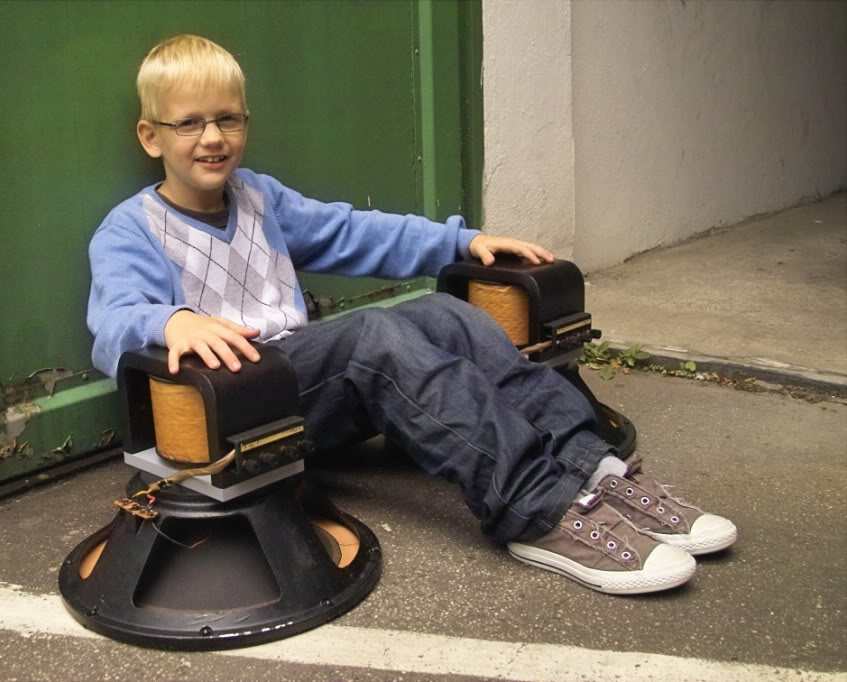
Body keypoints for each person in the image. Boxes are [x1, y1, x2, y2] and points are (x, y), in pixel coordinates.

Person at [87, 34, 736, 595]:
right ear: (151, 135)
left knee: (443, 314)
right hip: (233, 410)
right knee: (373, 335)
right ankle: (537, 508)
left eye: (227, 119)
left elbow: (354, 232)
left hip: (300, 396)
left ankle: (592, 467)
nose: (212, 138)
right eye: (188, 123)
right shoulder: (130, 230)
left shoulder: (258, 198)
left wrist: (460, 243)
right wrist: (168, 322)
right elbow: (113, 324)